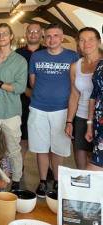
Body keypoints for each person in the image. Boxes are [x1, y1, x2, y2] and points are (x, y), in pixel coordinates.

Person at [28, 24, 78, 196]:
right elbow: (33, 82)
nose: (51, 39)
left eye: (55, 35)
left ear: (62, 37)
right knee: (40, 148)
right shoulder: (36, 56)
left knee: (58, 149)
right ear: (44, 38)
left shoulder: (72, 57)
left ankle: (57, 182)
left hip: (62, 110)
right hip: (38, 108)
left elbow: (75, 86)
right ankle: (43, 182)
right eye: (48, 36)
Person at [0, 23, 27, 191]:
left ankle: (16, 180)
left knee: (13, 149)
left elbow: (20, 87)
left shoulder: (20, 61)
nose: (1, 37)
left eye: (4, 34)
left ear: (10, 37)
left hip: (10, 113)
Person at [66, 27, 101, 169]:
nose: (86, 43)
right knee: (80, 160)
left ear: (99, 42)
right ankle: (83, 190)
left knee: (97, 161)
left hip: (100, 118)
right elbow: (74, 95)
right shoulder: (75, 66)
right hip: (81, 116)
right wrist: (69, 121)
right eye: (82, 40)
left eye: (91, 39)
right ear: (78, 44)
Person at [15, 23, 46, 163]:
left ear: (41, 34)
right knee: (23, 138)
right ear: (26, 34)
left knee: (45, 138)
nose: (33, 34)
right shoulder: (17, 54)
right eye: (30, 31)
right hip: (22, 101)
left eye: (36, 31)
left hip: (44, 101)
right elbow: (13, 77)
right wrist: (26, 91)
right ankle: (19, 169)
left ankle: (48, 171)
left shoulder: (48, 51)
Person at [86, 59, 103, 171]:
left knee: (93, 168)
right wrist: (89, 124)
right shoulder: (100, 64)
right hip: (99, 124)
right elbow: (94, 94)